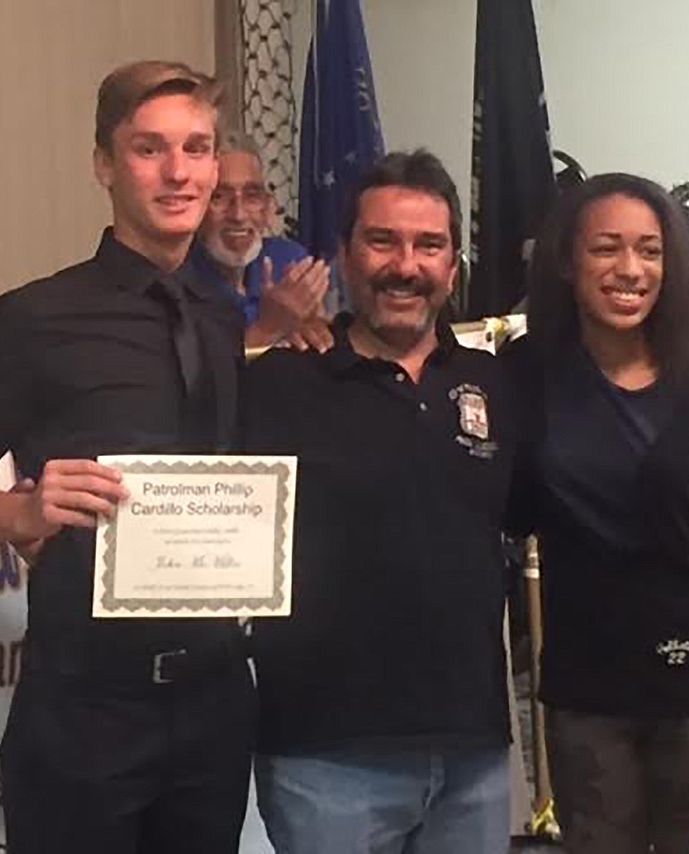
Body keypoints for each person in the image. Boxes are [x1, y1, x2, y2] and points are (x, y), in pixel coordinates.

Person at [0, 61, 255, 854]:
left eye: (196, 148)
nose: (178, 172)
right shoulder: (34, 319)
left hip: (216, 700)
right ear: (104, 164)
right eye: (148, 149)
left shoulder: (222, 318)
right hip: (87, 710)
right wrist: (19, 512)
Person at [504, 172, 689, 854]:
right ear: (567, 262)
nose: (630, 269)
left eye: (650, 249)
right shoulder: (526, 372)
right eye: (607, 248)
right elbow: (506, 504)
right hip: (586, 693)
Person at [241, 149, 516, 854]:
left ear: (453, 266)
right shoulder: (278, 385)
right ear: (343, 254)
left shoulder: (497, 387)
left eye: (429, 245)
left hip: (473, 756)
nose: (406, 264)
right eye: (382, 241)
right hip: (323, 760)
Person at [190, 129, 332, 350]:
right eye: (218, 197)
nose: (238, 215)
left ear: (268, 207)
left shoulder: (287, 261)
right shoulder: (176, 282)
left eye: (252, 196)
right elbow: (195, 381)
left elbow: (321, 332)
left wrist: (316, 332)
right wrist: (267, 330)